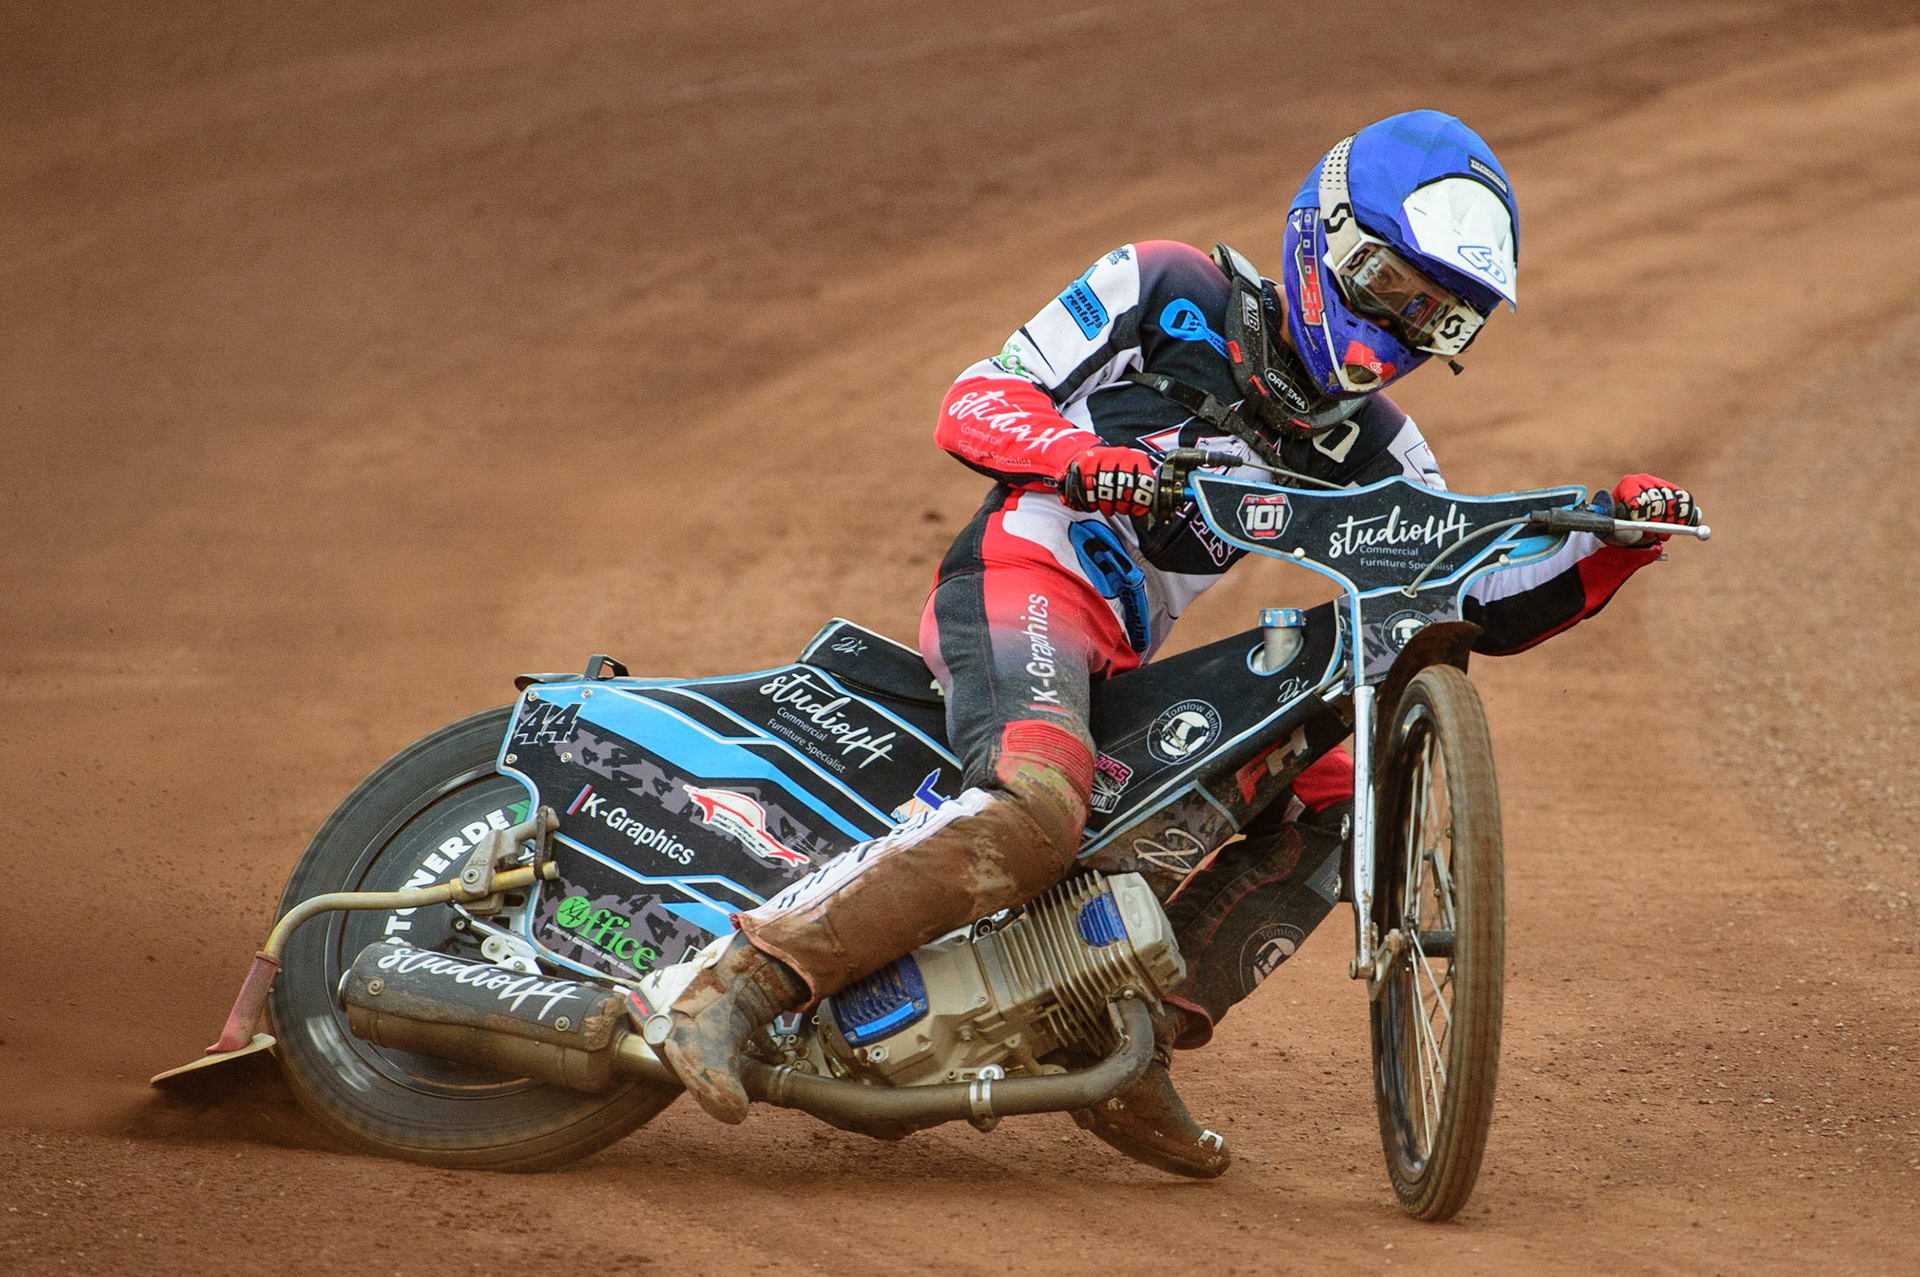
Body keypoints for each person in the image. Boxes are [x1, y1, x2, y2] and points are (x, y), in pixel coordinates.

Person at [657, 110, 1699, 1177]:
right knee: (1037, 809)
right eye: (1394, 291)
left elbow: (1460, 595)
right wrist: (1075, 457)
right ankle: (744, 980)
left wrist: (1616, 539)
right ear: (1325, 237)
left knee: (1346, 797)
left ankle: (1126, 1034)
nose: (1399, 336)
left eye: (1440, 321)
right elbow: (976, 397)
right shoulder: (1165, 290)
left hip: (1122, 653)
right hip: (1023, 576)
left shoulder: (1376, 445)